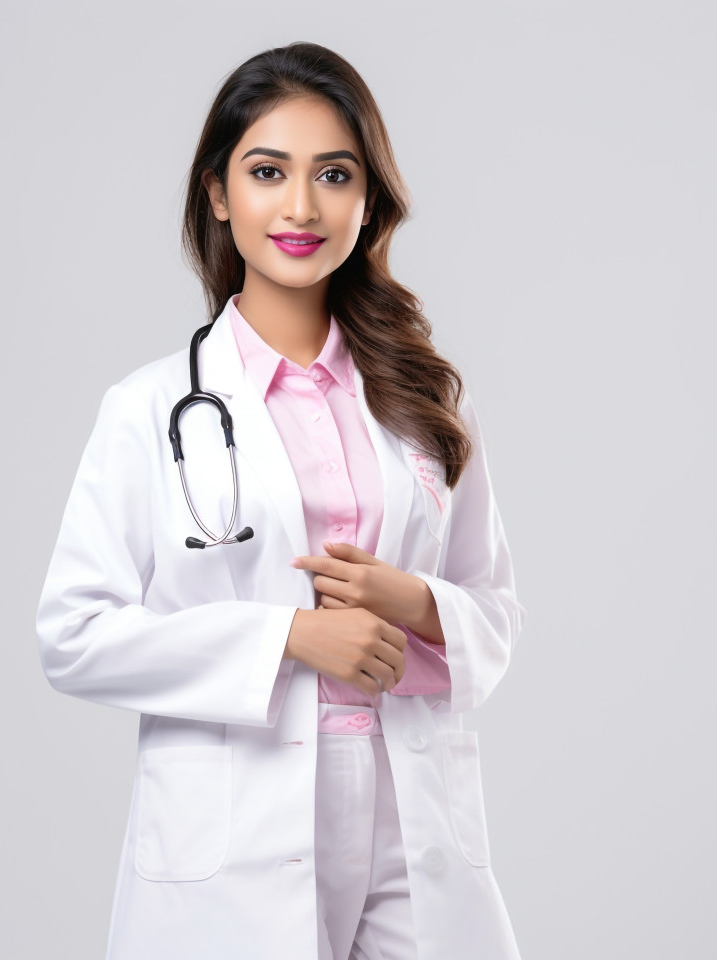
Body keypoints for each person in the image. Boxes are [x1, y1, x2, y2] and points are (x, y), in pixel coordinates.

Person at [36, 40, 526, 960]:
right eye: (268, 172)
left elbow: (495, 614)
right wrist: (289, 637)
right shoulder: (148, 408)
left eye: (333, 174)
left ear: (368, 198)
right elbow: (73, 633)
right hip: (237, 824)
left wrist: (411, 601)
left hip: (406, 812)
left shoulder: (425, 406)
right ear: (220, 194)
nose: (301, 207)